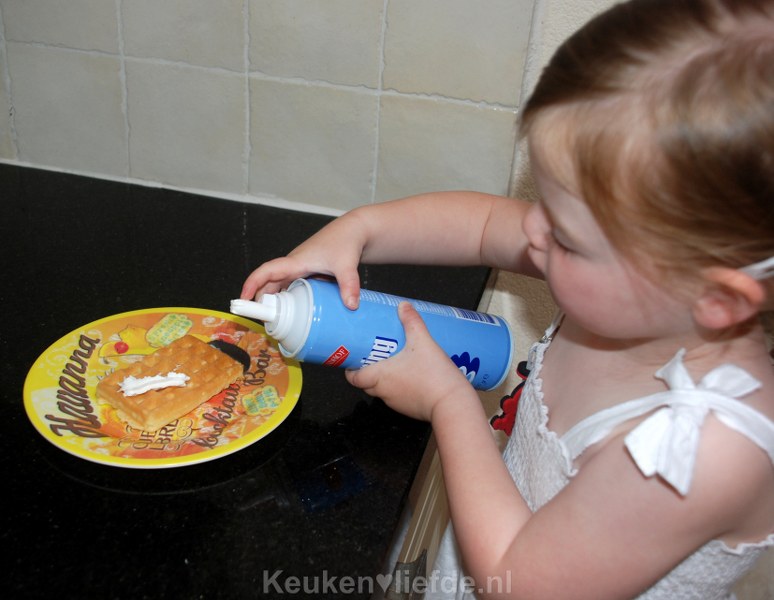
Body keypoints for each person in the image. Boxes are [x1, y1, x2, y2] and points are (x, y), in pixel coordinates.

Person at [240, 0, 774, 597]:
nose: (533, 231)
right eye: (544, 203)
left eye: (565, 236)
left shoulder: (705, 452)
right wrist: (360, 229)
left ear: (717, 298)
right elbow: (486, 224)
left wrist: (449, 402)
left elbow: (521, 581)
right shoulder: (645, 289)